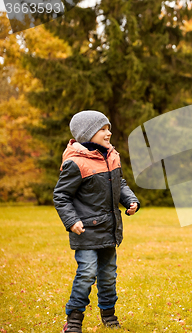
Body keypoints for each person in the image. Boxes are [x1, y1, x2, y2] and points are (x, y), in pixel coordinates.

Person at [53, 110, 140, 333]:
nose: (108, 133)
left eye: (108, 128)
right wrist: (71, 221)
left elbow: (120, 183)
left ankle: (109, 316)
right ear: (87, 133)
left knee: (109, 276)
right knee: (86, 274)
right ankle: (73, 320)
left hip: (109, 230)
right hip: (85, 231)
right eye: (102, 129)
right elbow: (61, 196)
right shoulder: (76, 162)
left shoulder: (111, 156)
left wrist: (130, 200)